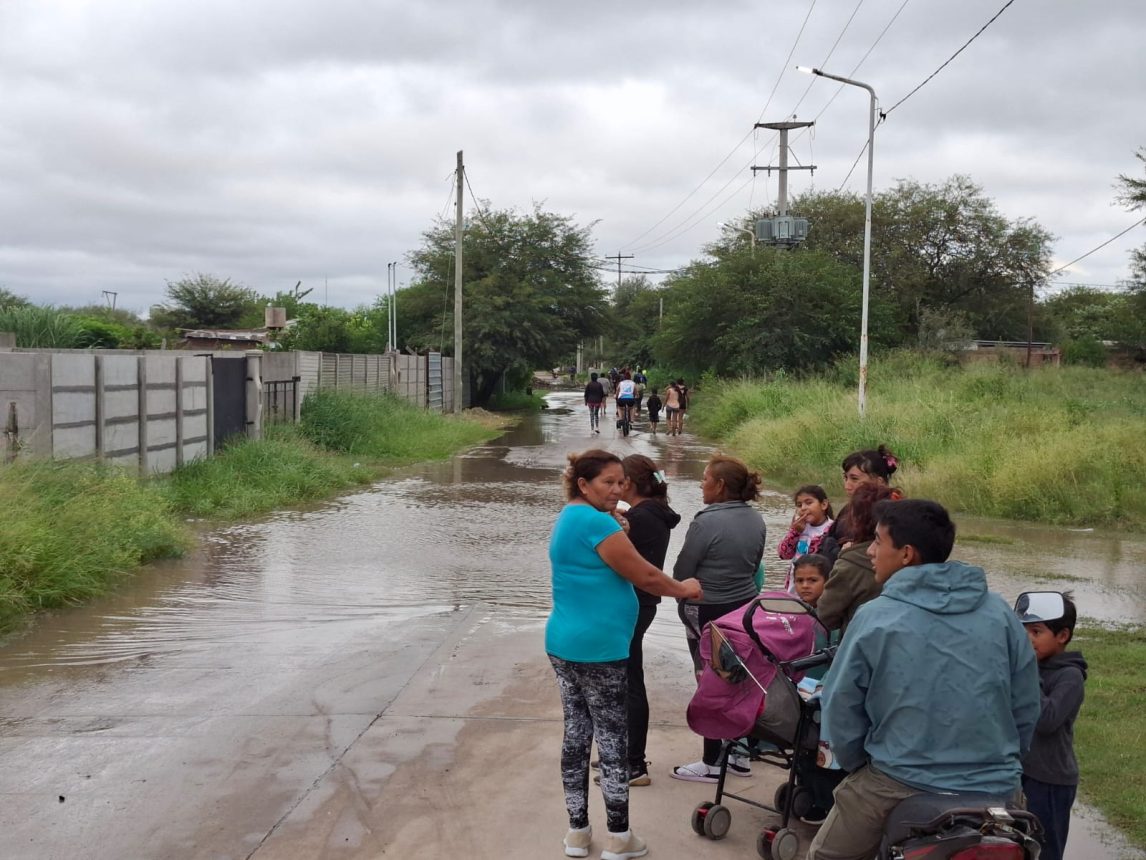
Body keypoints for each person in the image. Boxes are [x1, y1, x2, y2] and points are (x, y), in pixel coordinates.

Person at [808, 499, 1040, 860]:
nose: (870, 552)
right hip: (998, 787)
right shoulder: (1000, 612)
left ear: (906, 555)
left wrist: (858, 764)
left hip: (897, 783)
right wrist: (1004, 762)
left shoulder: (874, 617)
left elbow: (840, 703)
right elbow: (1026, 703)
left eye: (878, 542)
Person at [547, 450, 702, 859]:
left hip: (565, 642)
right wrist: (685, 588)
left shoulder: (572, 516)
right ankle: (619, 839)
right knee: (613, 742)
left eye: (620, 483)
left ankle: (577, 833)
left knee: (577, 736)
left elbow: (601, 556)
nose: (616, 490)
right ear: (583, 484)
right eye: (607, 483)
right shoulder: (597, 523)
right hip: (599, 648)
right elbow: (645, 575)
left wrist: (614, 520)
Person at [671, 454, 766, 783]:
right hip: (744, 609)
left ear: (720, 485)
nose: (701, 483)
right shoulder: (756, 520)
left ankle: (711, 762)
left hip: (706, 611)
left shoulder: (705, 522)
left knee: (709, 681)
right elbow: (754, 568)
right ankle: (740, 755)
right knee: (738, 679)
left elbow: (682, 572)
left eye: (706, 478)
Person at [617, 455, 682, 787]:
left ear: (628, 482)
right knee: (628, 679)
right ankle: (626, 755)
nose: (614, 485)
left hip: (633, 604)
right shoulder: (650, 513)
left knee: (629, 682)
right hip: (642, 603)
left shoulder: (641, 517)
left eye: (617, 479)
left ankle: (634, 763)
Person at [1019, 592, 1087, 860]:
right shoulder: (1034, 667)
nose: (1028, 639)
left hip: (1050, 781)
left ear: (1062, 636)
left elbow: (1046, 719)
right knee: (1016, 845)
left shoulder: (1070, 676)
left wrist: (1027, 672)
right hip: (1021, 773)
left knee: (1046, 850)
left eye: (1036, 631)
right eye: (1023, 631)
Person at [815, 482, 894, 639]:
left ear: (855, 520)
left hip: (859, 644)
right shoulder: (908, 555)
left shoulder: (849, 563)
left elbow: (825, 616)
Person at [820, 445, 900, 565]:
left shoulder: (893, 515)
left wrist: (849, 553)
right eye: (846, 478)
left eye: (854, 479)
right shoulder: (847, 511)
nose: (847, 486)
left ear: (879, 482)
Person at [777, 485, 835, 591]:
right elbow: (783, 554)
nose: (803, 508)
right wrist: (795, 532)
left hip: (818, 590)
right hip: (795, 589)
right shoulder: (800, 528)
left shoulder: (832, 529)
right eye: (799, 505)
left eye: (809, 503)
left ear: (824, 504)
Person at [791, 553, 835, 682]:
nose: (805, 585)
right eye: (800, 581)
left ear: (827, 581)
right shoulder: (791, 613)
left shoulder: (833, 616)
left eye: (813, 580)